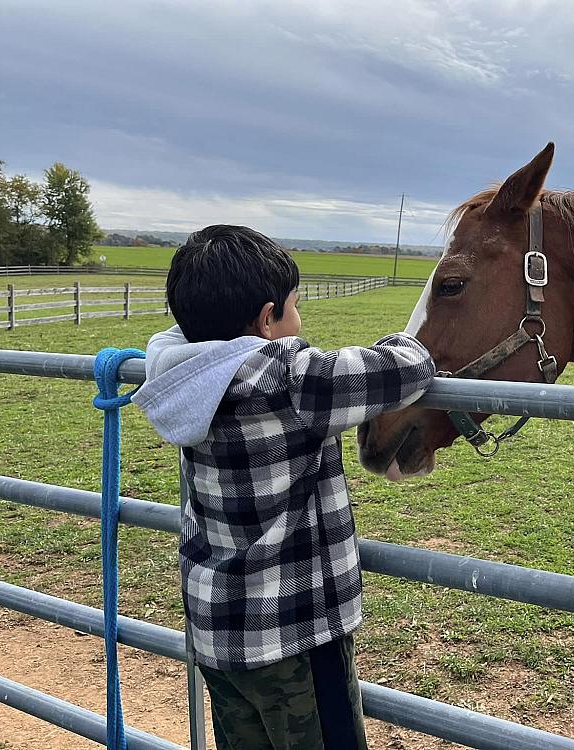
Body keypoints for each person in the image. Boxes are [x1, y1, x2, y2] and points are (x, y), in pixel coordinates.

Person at [133, 224, 435, 749]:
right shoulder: (289, 380)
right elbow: (410, 365)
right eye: (294, 307)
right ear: (269, 319)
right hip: (295, 633)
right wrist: (400, 339)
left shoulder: (179, 373)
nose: (301, 322)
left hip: (217, 633)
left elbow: (166, 339)